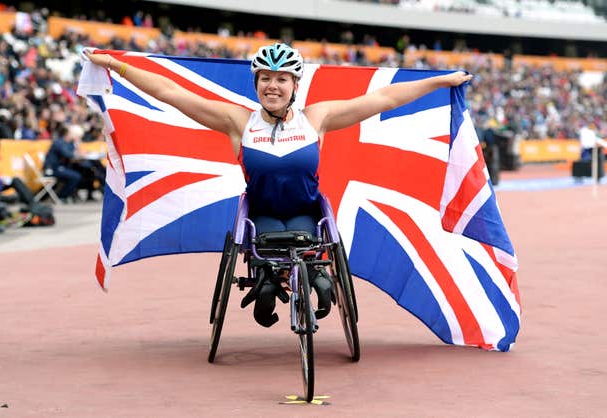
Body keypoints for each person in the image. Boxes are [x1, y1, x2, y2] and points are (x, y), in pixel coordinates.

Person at [84, 43, 472, 327]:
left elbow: (383, 98)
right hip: (262, 217)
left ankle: (319, 277)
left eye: (281, 79)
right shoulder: (237, 121)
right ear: (256, 82)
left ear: (294, 84)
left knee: (319, 281)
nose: (273, 85)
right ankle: (269, 286)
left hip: (308, 214)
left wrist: (440, 81)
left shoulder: (316, 118)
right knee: (267, 289)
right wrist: (115, 66)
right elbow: (171, 93)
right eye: (266, 78)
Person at [43, 124, 84, 201]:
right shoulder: (59, 143)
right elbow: (68, 154)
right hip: (52, 169)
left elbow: (74, 152)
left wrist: (76, 144)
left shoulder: (68, 143)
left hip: (60, 167)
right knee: (76, 176)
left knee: (83, 171)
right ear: (68, 134)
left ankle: (70, 195)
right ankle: (62, 196)